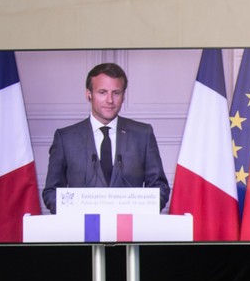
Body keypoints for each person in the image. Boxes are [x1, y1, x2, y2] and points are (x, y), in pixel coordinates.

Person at [42, 63, 170, 213]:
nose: (110, 100)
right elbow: (51, 193)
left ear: (123, 96)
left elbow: (160, 189)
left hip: (129, 230)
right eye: (102, 92)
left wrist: (137, 214)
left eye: (116, 93)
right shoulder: (65, 138)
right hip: (83, 231)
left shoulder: (143, 134)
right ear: (89, 94)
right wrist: (76, 215)